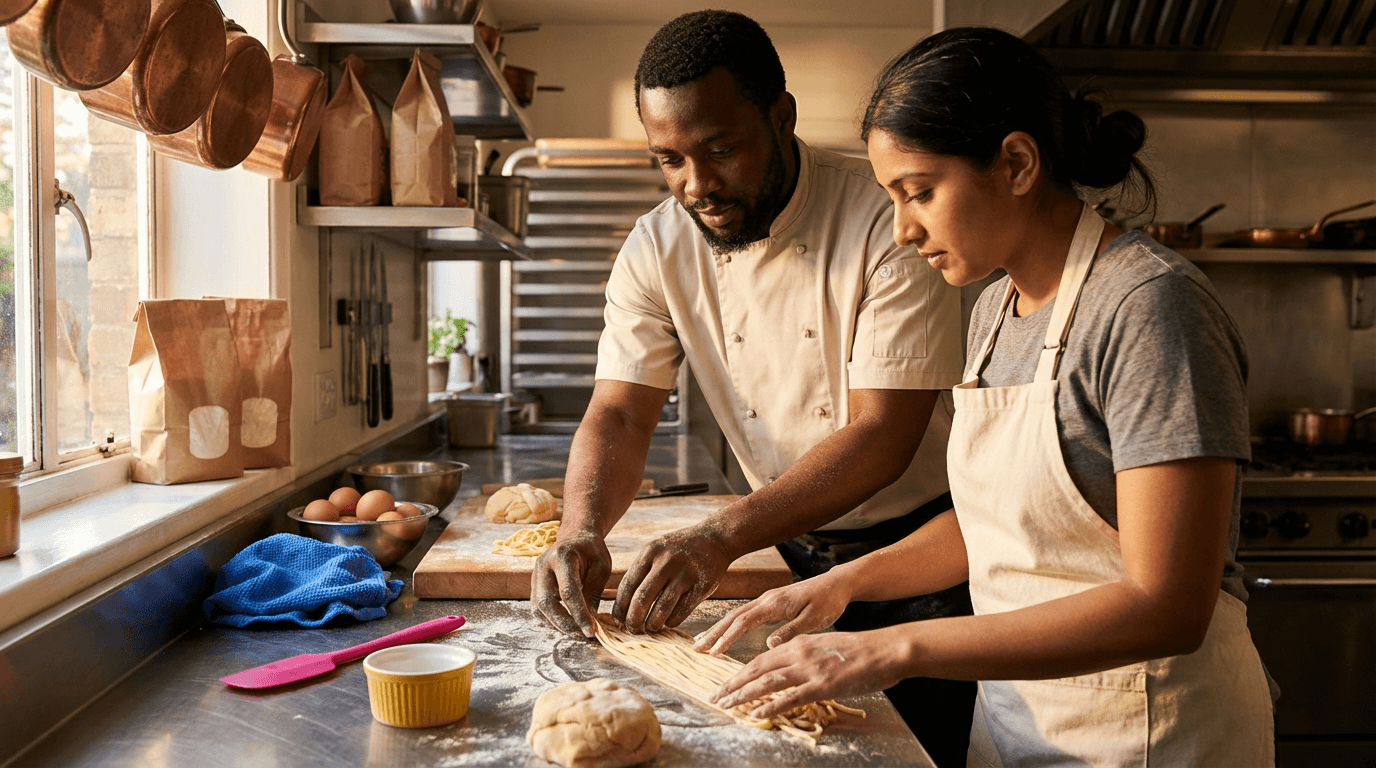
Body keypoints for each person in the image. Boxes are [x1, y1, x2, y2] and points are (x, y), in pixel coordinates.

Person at [697, 26, 1276, 767]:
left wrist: (893, 647)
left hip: (1149, 731)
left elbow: (1167, 605)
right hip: (1017, 722)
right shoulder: (996, 311)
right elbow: (1001, 527)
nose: (904, 230)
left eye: (920, 192)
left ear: (1016, 163)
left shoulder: (1150, 310)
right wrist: (841, 587)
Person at [528, 10, 975, 764]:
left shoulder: (883, 220)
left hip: (923, 558)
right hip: (784, 550)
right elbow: (620, 412)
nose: (696, 185)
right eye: (668, 160)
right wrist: (581, 528)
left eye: (721, 149)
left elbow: (882, 433)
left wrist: (719, 535)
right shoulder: (658, 245)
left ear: (782, 116)